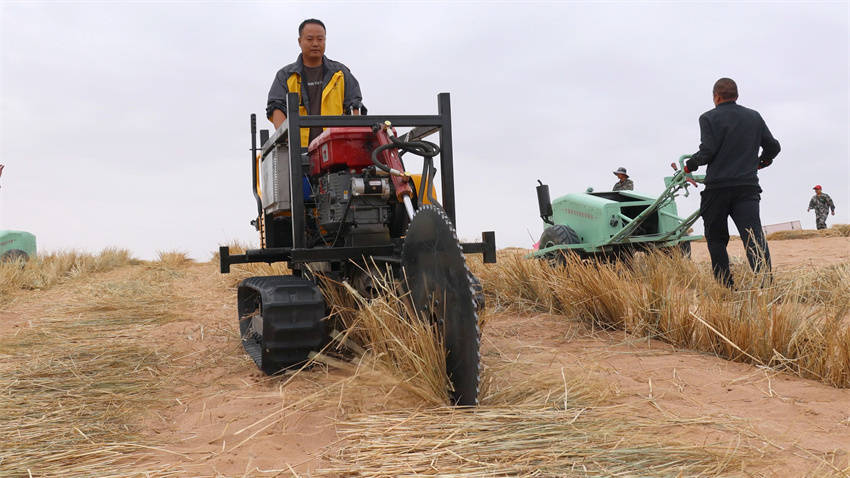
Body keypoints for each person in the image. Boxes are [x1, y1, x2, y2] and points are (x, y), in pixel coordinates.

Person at [685, 78, 781, 288]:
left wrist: (690, 164)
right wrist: (761, 163)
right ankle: (765, 284)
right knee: (753, 237)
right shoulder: (754, 117)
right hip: (746, 189)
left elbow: (707, 152)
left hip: (717, 189)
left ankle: (726, 286)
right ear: (736, 96)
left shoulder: (708, 118)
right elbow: (773, 147)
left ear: (716, 97)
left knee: (717, 239)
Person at [266, 19, 365, 147]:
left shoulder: (341, 73)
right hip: (299, 151)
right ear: (299, 41)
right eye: (310, 39)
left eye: (320, 39)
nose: (315, 44)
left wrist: (352, 139)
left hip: (337, 147)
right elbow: (276, 107)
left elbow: (354, 107)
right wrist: (289, 141)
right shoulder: (285, 76)